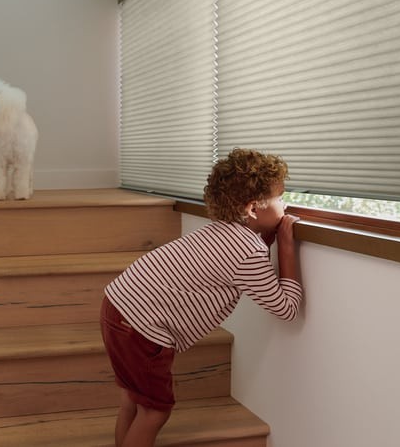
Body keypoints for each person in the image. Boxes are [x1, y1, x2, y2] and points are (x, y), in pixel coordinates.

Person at [100, 148, 303, 447]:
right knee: (155, 412)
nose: (285, 205)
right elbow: (286, 308)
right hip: (141, 329)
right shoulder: (248, 251)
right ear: (252, 209)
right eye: (280, 197)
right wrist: (286, 241)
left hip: (117, 305)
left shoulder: (221, 231)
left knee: (132, 399)